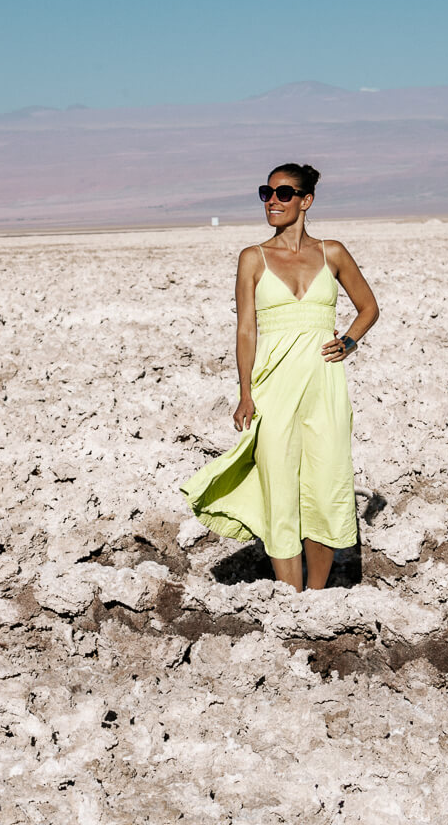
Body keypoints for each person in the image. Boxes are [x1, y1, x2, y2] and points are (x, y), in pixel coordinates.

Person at [180, 163, 379, 591]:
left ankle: (317, 599)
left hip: (324, 387)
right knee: (281, 491)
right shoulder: (253, 258)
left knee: (324, 487)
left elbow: (368, 308)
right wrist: (245, 393)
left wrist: (348, 342)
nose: (272, 201)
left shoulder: (334, 253)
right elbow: (246, 329)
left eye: (284, 193)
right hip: (273, 388)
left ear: (306, 200)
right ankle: (290, 600)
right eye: (265, 193)